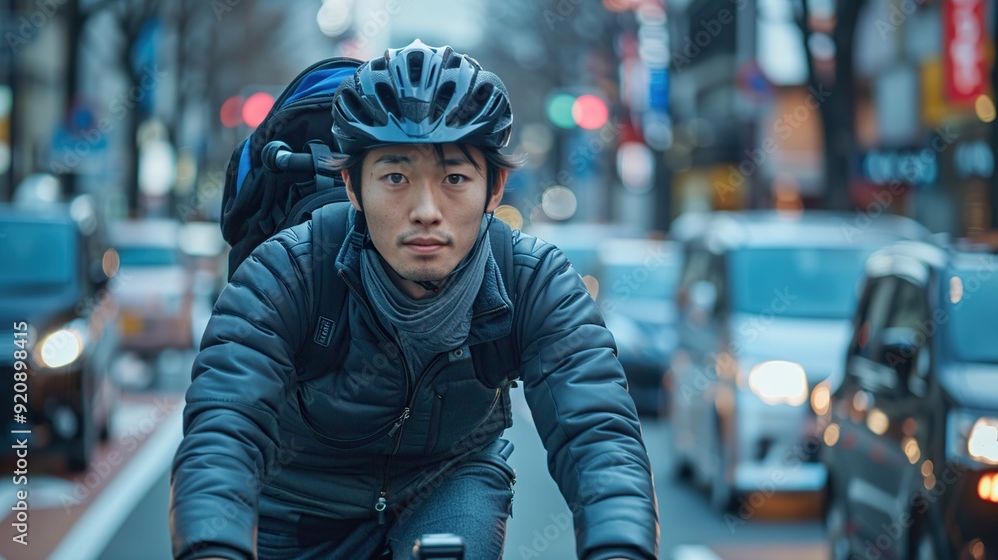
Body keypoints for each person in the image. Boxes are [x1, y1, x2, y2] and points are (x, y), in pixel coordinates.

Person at [170, 40, 659, 560]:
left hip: (448, 484)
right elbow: (222, 435)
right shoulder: (288, 270)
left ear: (495, 188)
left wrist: (620, 548)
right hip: (296, 500)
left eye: (454, 178)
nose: (426, 211)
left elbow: (601, 439)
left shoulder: (531, 279)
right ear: (352, 186)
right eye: (395, 177)